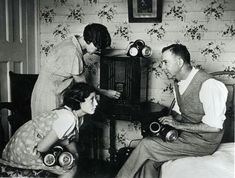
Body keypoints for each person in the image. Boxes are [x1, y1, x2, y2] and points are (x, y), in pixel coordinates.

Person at [115, 43, 228, 178]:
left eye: (165, 62)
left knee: (146, 145)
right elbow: (181, 113)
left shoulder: (210, 85)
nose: (162, 67)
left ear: (179, 62)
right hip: (187, 136)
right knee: (149, 162)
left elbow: (214, 127)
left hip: (203, 143)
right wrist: (169, 122)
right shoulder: (178, 83)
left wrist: (178, 125)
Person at [1, 82, 98, 178]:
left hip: (21, 144)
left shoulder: (75, 115)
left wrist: (75, 154)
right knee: (70, 170)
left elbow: (68, 139)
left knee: (70, 162)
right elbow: (41, 148)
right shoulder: (68, 118)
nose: (96, 103)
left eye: (96, 99)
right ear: (79, 101)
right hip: (26, 149)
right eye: (92, 99)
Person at [31, 23, 120, 118]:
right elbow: (84, 87)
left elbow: (102, 52)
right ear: (90, 40)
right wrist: (106, 92)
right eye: (97, 47)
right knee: (52, 129)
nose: (97, 50)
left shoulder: (75, 41)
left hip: (44, 91)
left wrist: (126, 51)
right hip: (49, 97)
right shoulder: (73, 53)